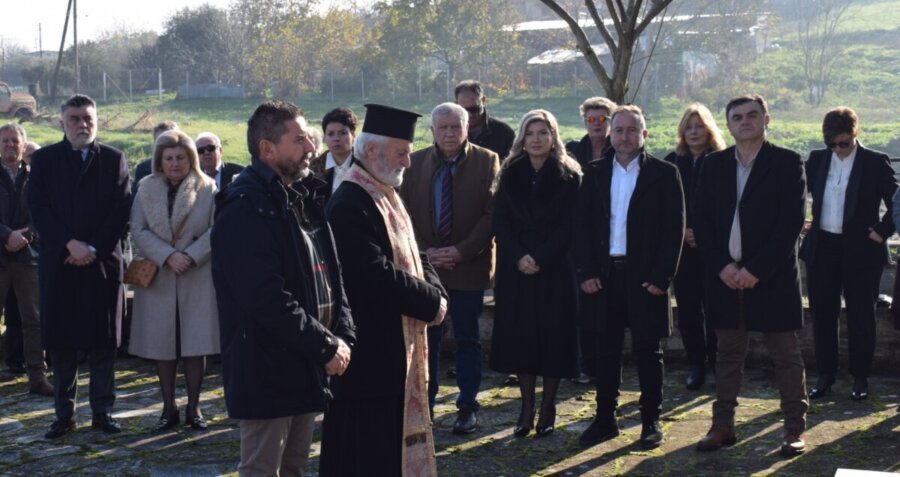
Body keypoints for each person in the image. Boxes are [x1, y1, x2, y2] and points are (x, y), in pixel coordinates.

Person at [211, 100, 355, 476]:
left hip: (305, 361)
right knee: (263, 469)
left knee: (293, 468)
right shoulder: (245, 207)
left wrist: (343, 335)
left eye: (309, 138)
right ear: (267, 149)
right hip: (267, 368)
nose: (311, 147)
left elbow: (331, 274)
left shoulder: (303, 195)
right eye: (299, 140)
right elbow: (265, 298)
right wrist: (325, 346)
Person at [321, 103, 447, 476]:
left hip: (392, 353)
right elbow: (372, 273)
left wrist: (438, 293)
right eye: (401, 153)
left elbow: (414, 252)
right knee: (367, 454)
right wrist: (430, 301)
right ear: (372, 150)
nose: (408, 162)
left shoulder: (384, 191)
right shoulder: (350, 200)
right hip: (370, 358)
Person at [693, 94, 808, 456]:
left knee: (786, 356)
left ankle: (793, 429)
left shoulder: (787, 162)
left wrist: (756, 269)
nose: (745, 121)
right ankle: (722, 426)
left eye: (752, 115)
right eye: (737, 117)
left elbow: (790, 223)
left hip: (772, 277)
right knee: (727, 355)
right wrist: (723, 266)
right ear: (728, 125)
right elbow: (701, 221)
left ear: (766, 120)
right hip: (725, 277)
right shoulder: (713, 164)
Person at [575, 105, 684, 449]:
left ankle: (650, 420)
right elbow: (580, 228)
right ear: (611, 133)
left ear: (644, 134)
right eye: (619, 130)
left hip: (646, 279)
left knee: (649, 352)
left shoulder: (665, 173)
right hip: (603, 276)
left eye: (632, 130)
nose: (625, 136)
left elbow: (674, 230)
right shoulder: (593, 172)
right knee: (605, 351)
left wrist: (662, 277)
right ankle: (605, 419)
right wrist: (586, 271)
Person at [28, 94, 132, 439]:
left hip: (102, 265)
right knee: (62, 345)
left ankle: (103, 411)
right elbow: (38, 208)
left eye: (88, 118)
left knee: (103, 343)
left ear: (96, 120)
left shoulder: (114, 159)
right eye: (74, 118)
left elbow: (120, 210)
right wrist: (69, 243)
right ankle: (64, 414)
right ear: (62, 122)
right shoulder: (44, 160)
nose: (82, 125)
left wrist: (93, 248)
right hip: (61, 263)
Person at [400, 102, 500, 433]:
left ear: (467, 128)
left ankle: (467, 405)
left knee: (468, 339)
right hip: (427, 268)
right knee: (427, 341)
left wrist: (461, 251)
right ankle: (424, 407)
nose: (449, 133)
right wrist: (425, 253)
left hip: (469, 266)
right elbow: (403, 212)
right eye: (442, 127)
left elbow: (491, 214)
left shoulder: (488, 161)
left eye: (455, 127)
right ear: (432, 130)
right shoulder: (414, 162)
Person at [489, 109, 581, 439]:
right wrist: (519, 256)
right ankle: (526, 408)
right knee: (522, 338)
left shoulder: (570, 175)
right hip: (516, 268)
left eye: (543, 132)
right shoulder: (509, 172)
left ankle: (548, 406)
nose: (537, 139)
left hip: (555, 268)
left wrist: (540, 256)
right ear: (522, 139)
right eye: (530, 133)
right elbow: (500, 221)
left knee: (554, 337)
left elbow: (570, 226)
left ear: (553, 137)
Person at [802, 106, 897, 401]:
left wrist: (882, 231)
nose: (838, 150)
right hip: (823, 247)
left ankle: (860, 377)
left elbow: (897, 201)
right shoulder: (817, 159)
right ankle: (825, 374)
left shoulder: (875, 162)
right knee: (822, 315)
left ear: (855, 134)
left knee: (861, 316)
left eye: (843, 143)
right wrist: (802, 221)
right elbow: (795, 193)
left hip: (862, 249)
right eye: (832, 144)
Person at [129, 130, 220, 431]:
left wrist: (190, 255)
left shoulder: (208, 188)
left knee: (196, 344)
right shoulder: (145, 188)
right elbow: (138, 229)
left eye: (180, 157)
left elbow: (216, 229)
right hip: (160, 274)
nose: (175, 163)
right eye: (168, 158)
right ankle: (168, 408)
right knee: (162, 345)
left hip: (196, 274)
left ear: (191, 158)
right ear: (160, 160)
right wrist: (168, 255)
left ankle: (194, 408)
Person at [664, 103, 727, 390]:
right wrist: (684, 232)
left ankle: (718, 362)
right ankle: (696, 363)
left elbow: (725, 206)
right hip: (682, 249)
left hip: (715, 247)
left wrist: (700, 233)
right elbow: (666, 205)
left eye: (699, 126)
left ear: (709, 129)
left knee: (715, 308)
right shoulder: (672, 162)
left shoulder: (723, 161)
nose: (693, 132)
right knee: (688, 309)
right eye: (688, 127)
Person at [0, 123, 52, 396]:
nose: (10, 145)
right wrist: (7, 235)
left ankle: (37, 377)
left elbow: (45, 214)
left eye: (14, 141)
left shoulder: (37, 178)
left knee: (34, 319)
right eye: (5, 140)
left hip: (27, 257)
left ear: (23, 145)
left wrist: (25, 236)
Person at [454, 80, 515, 159]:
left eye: (474, 109)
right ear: (456, 105)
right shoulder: (449, 132)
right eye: (464, 110)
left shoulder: (503, 132)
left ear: (483, 101)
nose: (470, 115)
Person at [310, 107, 358, 199]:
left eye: (343, 133)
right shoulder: (314, 168)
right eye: (330, 134)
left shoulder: (365, 166)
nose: (336, 139)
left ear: (353, 135)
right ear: (325, 138)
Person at [566, 96, 616, 166]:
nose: (596, 123)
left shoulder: (618, 149)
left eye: (602, 119)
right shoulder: (572, 150)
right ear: (585, 123)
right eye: (591, 119)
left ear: (611, 122)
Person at [134, 121, 179, 193]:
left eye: (168, 140)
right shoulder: (144, 169)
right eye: (159, 141)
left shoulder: (187, 167)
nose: (164, 145)